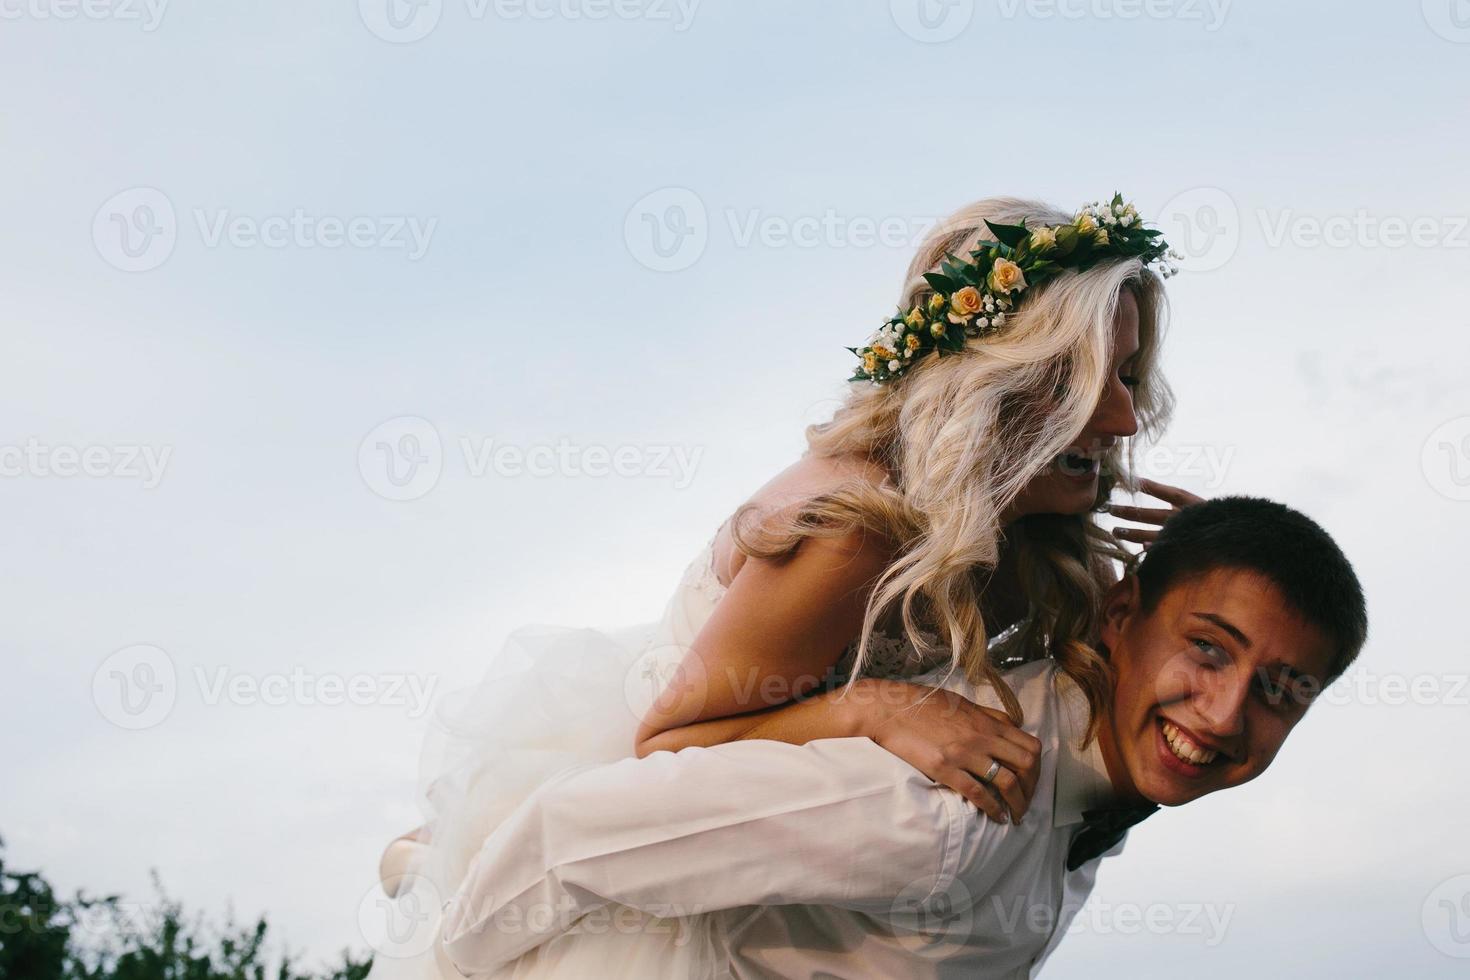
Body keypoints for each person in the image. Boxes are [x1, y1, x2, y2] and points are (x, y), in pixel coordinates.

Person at [367, 194, 1196, 977]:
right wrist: (880, 707)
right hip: (671, 758)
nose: (1123, 418)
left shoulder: (1036, 524)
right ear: (987, 388)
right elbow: (666, 747)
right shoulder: (853, 531)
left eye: (1125, 374)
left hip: (780, 794)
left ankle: (437, 849)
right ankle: (443, 860)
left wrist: (1203, 571)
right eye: (1077, 383)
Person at [438, 495, 1368, 979]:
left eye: (1281, 690)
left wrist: (1223, 562)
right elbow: (566, 840)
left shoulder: (1109, 761)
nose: (1224, 713)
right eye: (1207, 649)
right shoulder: (941, 813)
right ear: (1121, 615)